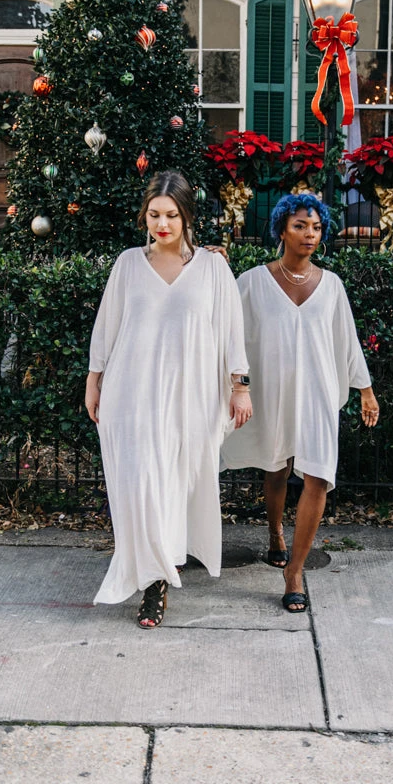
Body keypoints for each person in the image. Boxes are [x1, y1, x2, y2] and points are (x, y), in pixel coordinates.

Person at [85, 171, 252, 629]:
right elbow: (107, 326)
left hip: (191, 397)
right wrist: (94, 380)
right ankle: (155, 583)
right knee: (142, 482)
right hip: (132, 394)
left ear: (186, 217)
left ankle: (164, 564)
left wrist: (240, 385)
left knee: (175, 483)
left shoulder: (213, 267)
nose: (162, 224)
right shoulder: (128, 264)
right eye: (154, 214)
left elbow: (231, 330)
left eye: (172, 215)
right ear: (144, 216)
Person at [221, 193, 379, 613]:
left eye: (316, 227)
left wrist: (365, 389)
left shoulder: (332, 285)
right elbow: (226, 331)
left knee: (318, 476)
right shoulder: (252, 281)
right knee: (276, 468)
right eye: (300, 226)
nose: (310, 234)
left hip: (319, 394)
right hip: (271, 392)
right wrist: (211, 267)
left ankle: (294, 570)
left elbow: (347, 342)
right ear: (281, 230)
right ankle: (275, 532)